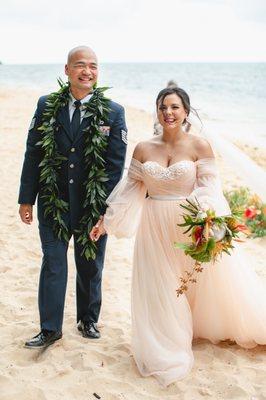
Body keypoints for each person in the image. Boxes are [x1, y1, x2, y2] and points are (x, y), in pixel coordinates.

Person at [90, 87, 266, 386]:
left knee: (189, 280)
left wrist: (205, 215)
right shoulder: (144, 148)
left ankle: (194, 327)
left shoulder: (200, 145)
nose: (168, 113)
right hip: (153, 224)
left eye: (174, 107)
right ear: (157, 111)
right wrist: (106, 220)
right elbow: (131, 189)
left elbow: (209, 186)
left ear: (185, 111)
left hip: (188, 222)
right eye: (163, 107)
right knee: (159, 284)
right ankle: (165, 342)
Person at [18, 46, 127, 348]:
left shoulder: (113, 112)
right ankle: (50, 328)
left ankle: (87, 319)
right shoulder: (45, 105)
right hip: (53, 202)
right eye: (80, 65)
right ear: (67, 70)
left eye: (93, 66)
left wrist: (106, 211)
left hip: (92, 205)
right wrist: (26, 198)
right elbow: (33, 152)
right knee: (53, 262)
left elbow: (114, 167)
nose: (87, 71)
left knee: (90, 264)